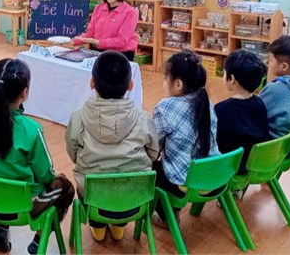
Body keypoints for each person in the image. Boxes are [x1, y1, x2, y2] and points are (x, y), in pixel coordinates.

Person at [0, 59, 74, 254]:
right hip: (23, 206)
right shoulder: (31, 129)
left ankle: (0, 227)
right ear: (25, 93)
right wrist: (54, 176)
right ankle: (39, 239)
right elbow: (44, 175)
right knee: (66, 187)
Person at [66, 50, 158, 242]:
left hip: (93, 200)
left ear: (92, 82)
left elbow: (73, 153)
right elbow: (153, 153)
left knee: (92, 185)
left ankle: (98, 226)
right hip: (134, 200)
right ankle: (119, 226)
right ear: (130, 85)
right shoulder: (142, 119)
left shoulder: (78, 118)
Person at [151, 50, 220, 228]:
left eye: (165, 78)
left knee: (151, 170)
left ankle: (167, 217)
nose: (163, 82)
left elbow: (153, 146)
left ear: (178, 84)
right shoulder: (207, 103)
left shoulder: (165, 107)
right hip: (215, 176)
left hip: (186, 183)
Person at [215, 49, 269, 174]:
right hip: (254, 163)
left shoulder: (221, 109)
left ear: (231, 79)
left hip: (228, 167)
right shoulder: (260, 104)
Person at [72, 0, 138, 61]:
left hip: (121, 55)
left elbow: (121, 41)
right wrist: (73, 41)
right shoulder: (99, 8)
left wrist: (98, 42)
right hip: (97, 51)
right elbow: (90, 33)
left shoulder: (130, 13)